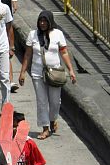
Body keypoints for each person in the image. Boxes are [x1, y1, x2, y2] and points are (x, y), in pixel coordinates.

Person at [18, 9, 76, 139]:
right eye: (41, 21)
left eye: (45, 21)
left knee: (55, 101)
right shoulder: (33, 35)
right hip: (37, 72)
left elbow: (64, 52)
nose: (43, 23)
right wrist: (22, 73)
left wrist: (71, 70)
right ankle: (45, 127)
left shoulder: (58, 34)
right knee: (42, 100)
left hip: (54, 72)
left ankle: (52, 119)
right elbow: (28, 54)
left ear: (50, 21)